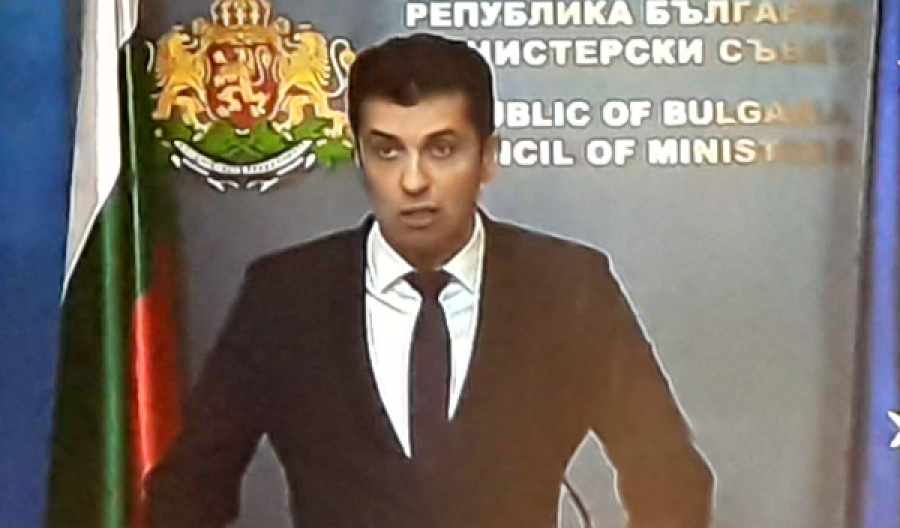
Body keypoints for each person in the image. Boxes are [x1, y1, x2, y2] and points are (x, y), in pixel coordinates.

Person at [146, 32, 714, 528]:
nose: (413, 181)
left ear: (487, 158)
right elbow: (189, 490)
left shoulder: (568, 289)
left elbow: (669, 476)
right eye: (387, 151)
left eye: (442, 150)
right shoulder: (286, 296)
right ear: (359, 157)